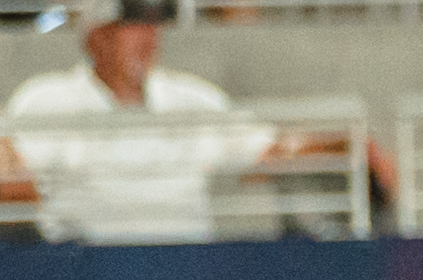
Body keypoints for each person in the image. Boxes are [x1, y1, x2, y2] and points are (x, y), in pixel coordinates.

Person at [0, 0, 397, 245]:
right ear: (96, 37)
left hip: (185, 272)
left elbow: (268, 150)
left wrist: (345, 146)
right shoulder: (49, 101)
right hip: (86, 279)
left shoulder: (189, 99)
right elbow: (10, 167)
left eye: (153, 24)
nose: (148, 36)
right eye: (133, 24)